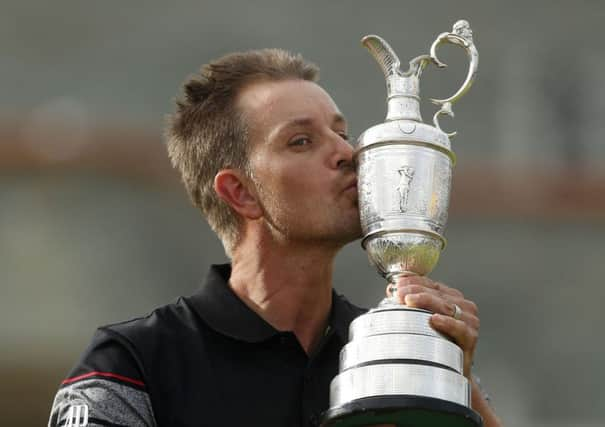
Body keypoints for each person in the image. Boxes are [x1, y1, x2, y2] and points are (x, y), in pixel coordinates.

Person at [48, 49, 502, 427]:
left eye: (341, 134)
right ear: (240, 192)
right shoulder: (133, 363)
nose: (347, 153)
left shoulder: (392, 351)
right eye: (301, 141)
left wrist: (454, 382)